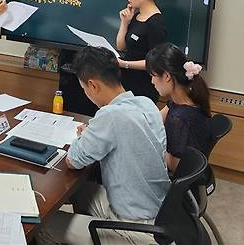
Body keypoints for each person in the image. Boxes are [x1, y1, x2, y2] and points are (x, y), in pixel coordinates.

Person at [37, 47, 170, 245]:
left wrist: (84, 137)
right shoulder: (146, 103)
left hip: (135, 228)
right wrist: (93, 135)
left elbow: (73, 160)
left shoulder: (110, 116)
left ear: (93, 85)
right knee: (79, 191)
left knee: (44, 226)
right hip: (157, 210)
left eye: (84, 89)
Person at [146, 42, 213, 172]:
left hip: (178, 182)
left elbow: (175, 166)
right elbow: (156, 119)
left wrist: (153, 146)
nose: (152, 82)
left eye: (153, 76)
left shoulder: (180, 119)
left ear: (167, 76)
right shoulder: (184, 99)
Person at [116, 0, 168, 102]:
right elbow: (121, 47)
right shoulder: (137, 15)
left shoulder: (156, 23)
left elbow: (155, 62)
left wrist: (125, 64)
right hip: (127, 81)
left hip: (144, 86)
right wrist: (124, 23)